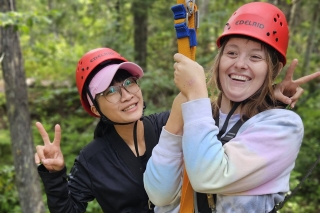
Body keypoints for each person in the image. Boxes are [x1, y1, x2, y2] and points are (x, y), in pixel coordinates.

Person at [143, 2, 320, 213]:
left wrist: (196, 93)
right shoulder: (197, 114)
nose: (240, 64)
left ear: (273, 69)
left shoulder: (283, 126)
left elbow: (207, 176)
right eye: (232, 53)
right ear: (219, 60)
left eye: (255, 57)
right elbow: (159, 194)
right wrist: (177, 117)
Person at [34, 47, 170, 213]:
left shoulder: (168, 125)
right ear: (96, 110)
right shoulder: (92, 160)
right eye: (111, 91)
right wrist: (54, 176)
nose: (127, 96)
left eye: (129, 82)